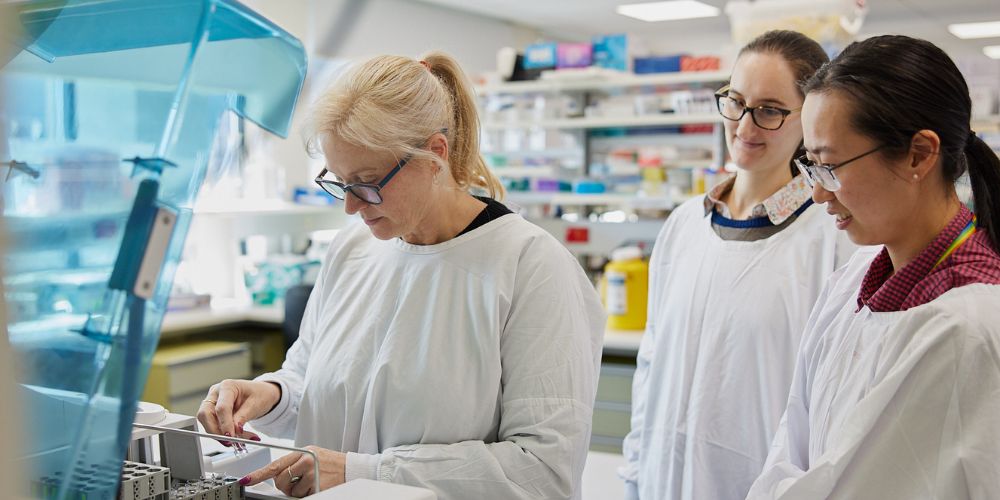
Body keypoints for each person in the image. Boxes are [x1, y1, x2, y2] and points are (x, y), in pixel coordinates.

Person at [197, 51, 605, 499]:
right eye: (339, 182)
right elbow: (309, 377)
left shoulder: (531, 266)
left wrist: (365, 472)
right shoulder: (352, 250)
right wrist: (268, 393)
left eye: (367, 181)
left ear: (435, 154)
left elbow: (543, 470)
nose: (351, 206)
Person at [746, 35, 1000, 499]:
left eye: (831, 166)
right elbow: (791, 442)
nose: (819, 193)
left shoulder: (968, 324)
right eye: (811, 165)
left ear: (919, 154)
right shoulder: (852, 283)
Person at [621, 30, 855, 500]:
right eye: (735, 101)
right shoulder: (684, 225)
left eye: (769, 110)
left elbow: (832, 407)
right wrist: (634, 477)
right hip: (660, 484)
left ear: (807, 118)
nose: (745, 127)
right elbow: (650, 367)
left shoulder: (831, 238)